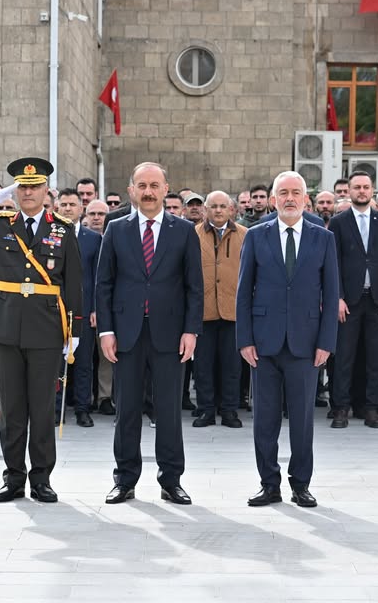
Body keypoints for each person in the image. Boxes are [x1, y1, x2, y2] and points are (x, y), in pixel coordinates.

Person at [0, 159, 82, 503]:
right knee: (11, 408)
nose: (28, 193)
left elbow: (73, 282)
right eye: (22, 187)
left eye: (34, 186)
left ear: (46, 191)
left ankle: (41, 478)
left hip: (46, 325)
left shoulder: (62, 229)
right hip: (6, 324)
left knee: (41, 407)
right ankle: (13, 477)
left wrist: (74, 329)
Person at [97, 162, 203, 506]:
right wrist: (106, 330)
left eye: (154, 185)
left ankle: (171, 481)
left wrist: (191, 331)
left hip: (170, 334)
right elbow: (104, 283)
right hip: (126, 333)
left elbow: (194, 286)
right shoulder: (116, 228)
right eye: (141, 185)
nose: (148, 191)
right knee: (126, 410)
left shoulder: (183, 230)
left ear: (165, 189)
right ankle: (124, 480)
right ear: (131, 190)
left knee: (169, 411)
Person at [237, 171, 338, 508]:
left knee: (302, 420)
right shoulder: (256, 235)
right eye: (283, 192)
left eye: (296, 192)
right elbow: (243, 291)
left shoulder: (323, 238)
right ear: (273, 199)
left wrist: (326, 342)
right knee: (264, 420)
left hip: (306, 343)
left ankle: (301, 484)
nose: (290, 198)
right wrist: (244, 339)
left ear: (306, 199)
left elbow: (331, 294)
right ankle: (269, 484)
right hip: (263, 343)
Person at [328, 172, 378, 428]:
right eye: (357, 187)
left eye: (366, 187)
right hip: (349, 301)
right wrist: (337, 297)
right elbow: (333, 262)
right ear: (349, 191)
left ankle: (371, 408)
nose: (361, 191)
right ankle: (340, 408)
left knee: (376, 358)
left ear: (372, 191)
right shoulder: (338, 222)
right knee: (344, 357)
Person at [192, 191, 245, 429]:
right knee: (203, 365)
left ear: (232, 209)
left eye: (223, 206)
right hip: (203, 310)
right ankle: (206, 410)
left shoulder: (245, 235)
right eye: (213, 206)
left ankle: (229, 410)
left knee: (231, 365)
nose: (218, 210)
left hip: (233, 310)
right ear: (205, 209)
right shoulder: (192, 234)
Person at [53, 188, 101, 427]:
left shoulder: (93, 239)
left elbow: (99, 277)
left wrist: (96, 309)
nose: (68, 209)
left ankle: (82, 409)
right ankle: (55, 409)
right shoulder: (49, 235)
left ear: (81, 209)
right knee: (55, 363)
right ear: (57, 208)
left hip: (83, 310)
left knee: (83, 363)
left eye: (72, 204)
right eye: (64, 204)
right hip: (54, 310)